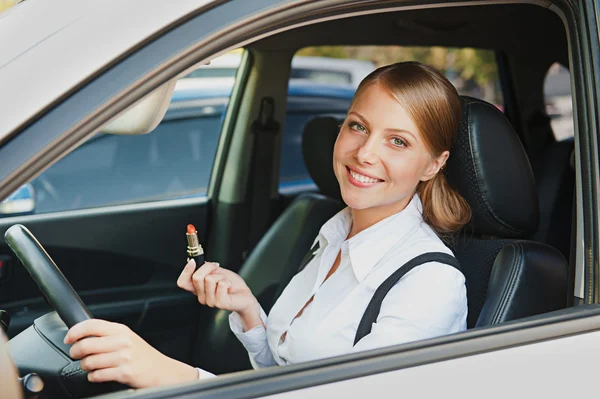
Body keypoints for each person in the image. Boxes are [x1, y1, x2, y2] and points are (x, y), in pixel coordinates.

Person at [63, 61, 471, 387]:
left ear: (434, 164)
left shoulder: (430, 284)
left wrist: (172, 376)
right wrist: (247, 308)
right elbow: (283, 374)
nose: (364, 152)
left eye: (397, 141)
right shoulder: (334, 233)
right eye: (358, 126)